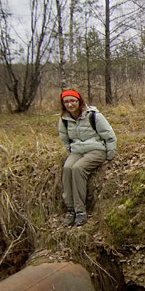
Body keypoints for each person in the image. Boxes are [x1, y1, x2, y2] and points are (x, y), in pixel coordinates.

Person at [58, 90, 116, 227]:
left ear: (79, 101)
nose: (70, 104)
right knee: (67, 168)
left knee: (78, 168)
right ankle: (70, 209)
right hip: (77, 151)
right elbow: (65, 139)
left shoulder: (93, 115)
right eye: (66, 102)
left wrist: (110, 155)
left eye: (73, 101)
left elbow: (109, 135)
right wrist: (71, 151)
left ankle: (80, 211)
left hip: (96, 150)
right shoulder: (64, 119)